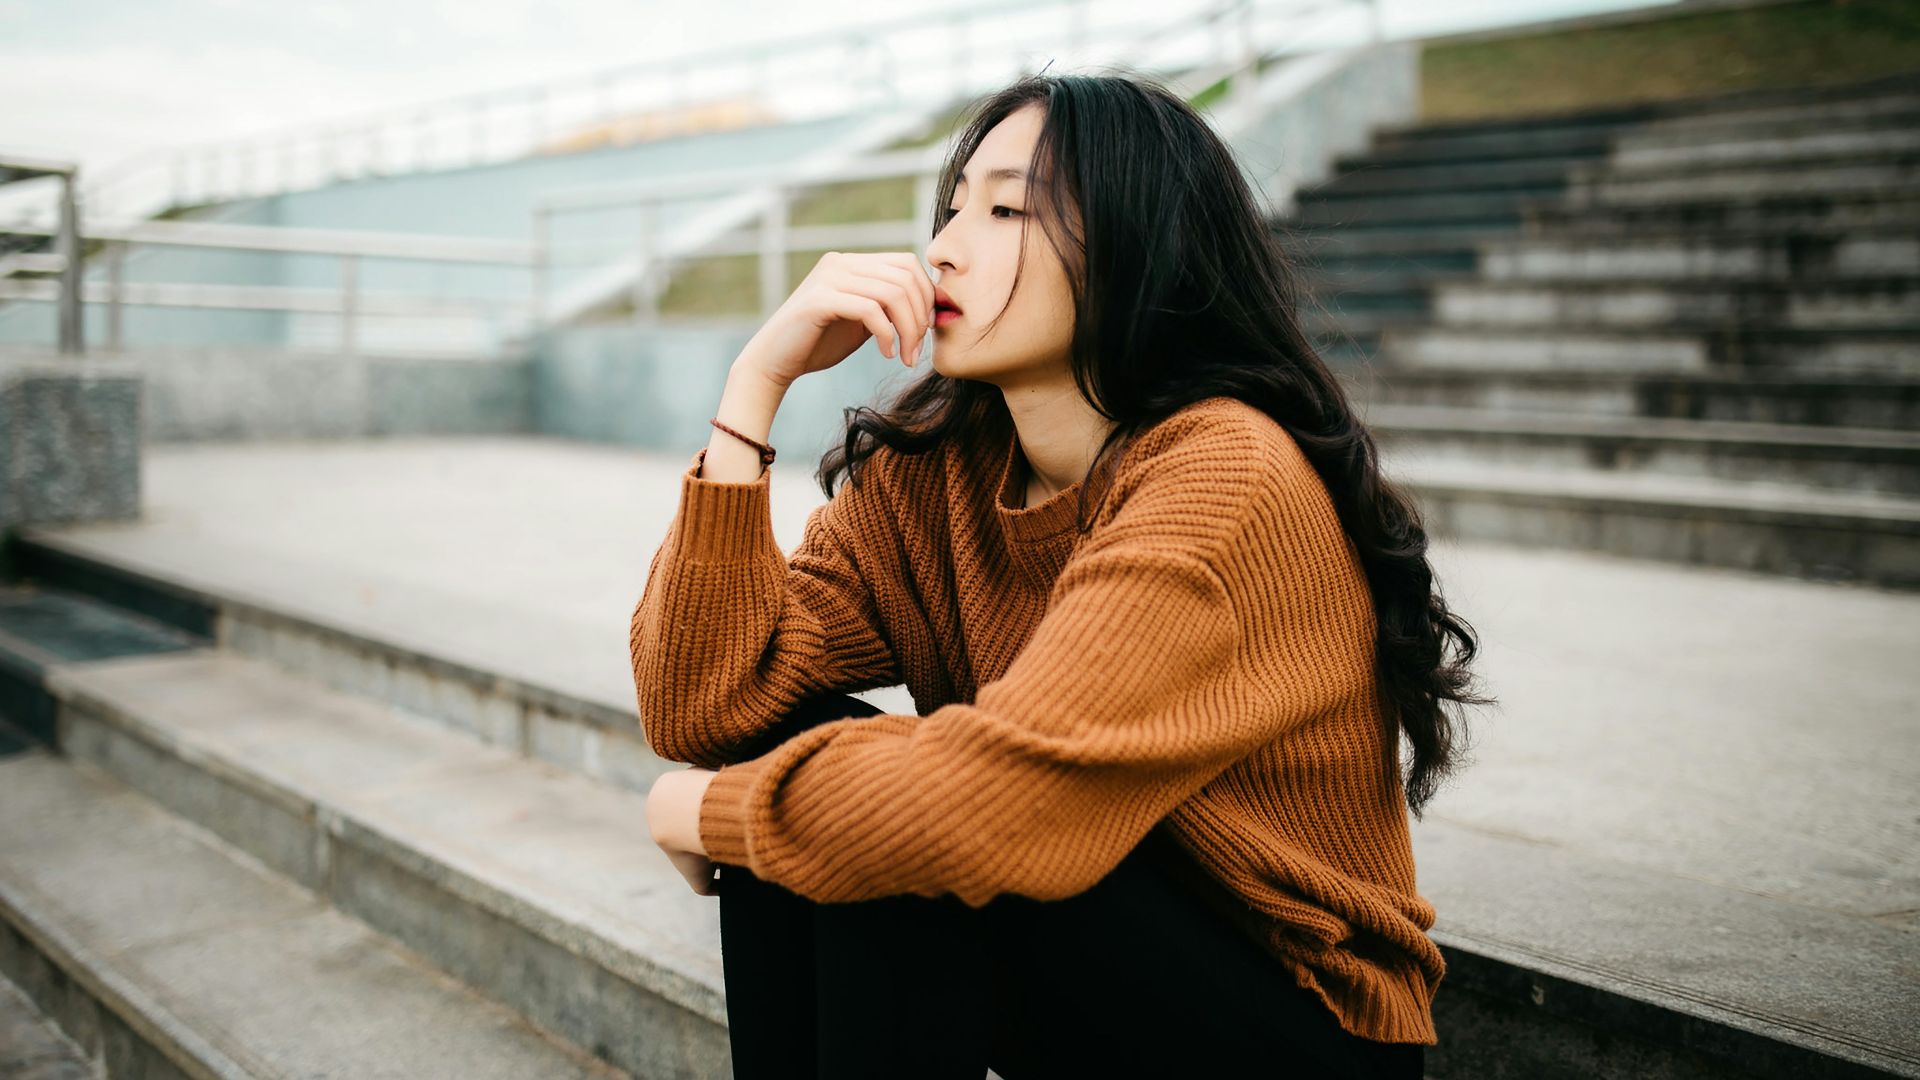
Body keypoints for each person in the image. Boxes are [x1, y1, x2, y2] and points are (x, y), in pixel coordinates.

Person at [631, 69, 1491, 1079]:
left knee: (895, 825)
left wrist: (703, 812)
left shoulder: (1225, 470)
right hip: (1078, 946)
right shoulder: (937, 470)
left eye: (1006, 209)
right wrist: (753, 389)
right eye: (951, 208)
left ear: (1135, 247)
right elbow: (705, 705)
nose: (944, 245)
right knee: (824, 768)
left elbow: (1002, 803)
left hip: (1286, 1011)